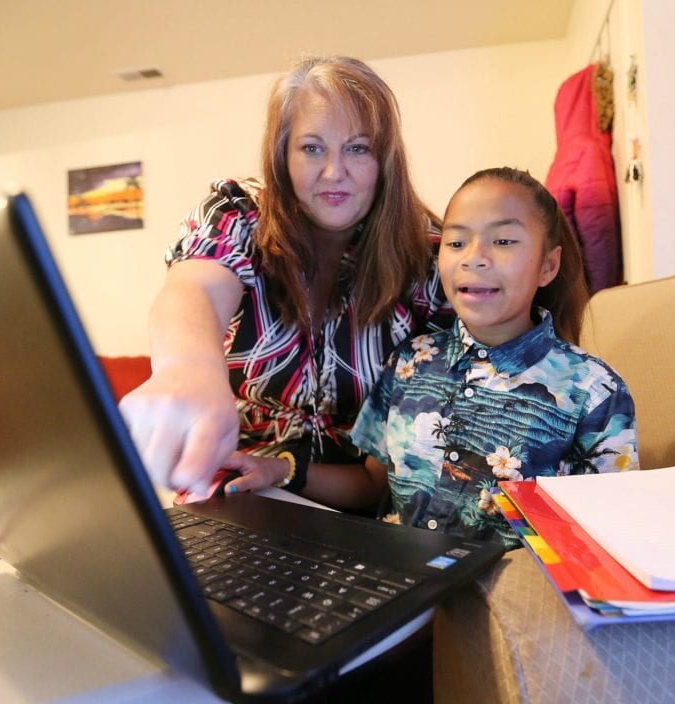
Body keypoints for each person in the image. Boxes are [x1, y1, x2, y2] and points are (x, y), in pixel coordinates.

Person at [119, 56, 454, 510]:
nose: (334, 172)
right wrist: (187, 366)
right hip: (238, 495)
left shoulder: (429, 258)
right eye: (312, 148)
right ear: (282, 154)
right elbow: (194, 287)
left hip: (365, 513)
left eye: (358, 148)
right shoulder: (239, 213)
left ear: (385, 159)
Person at [350, 167, 639, 548]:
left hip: (511, 600)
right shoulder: (410, 361)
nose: (475, 258)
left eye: (503, 241)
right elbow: (372, 485)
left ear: (548, 265)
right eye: (456, 243)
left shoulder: (596, 392)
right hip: (398, 584)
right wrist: (283, 470)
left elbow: (608, 539)